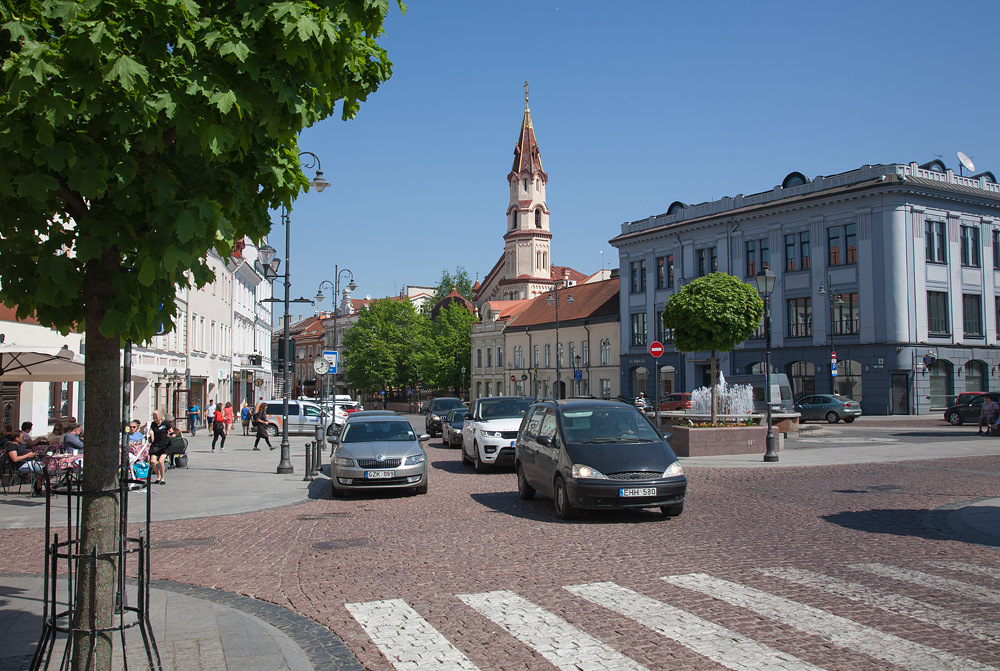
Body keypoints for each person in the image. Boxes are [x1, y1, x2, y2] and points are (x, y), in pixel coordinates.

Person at [147, 410, 173, 485]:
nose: (155, 420)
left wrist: (171, 435)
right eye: (154, 418)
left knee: (161, 461)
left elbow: (172, 432)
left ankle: (162, 478)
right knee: (152, 462)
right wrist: (150, 435)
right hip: (156, 445)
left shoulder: (165, 423)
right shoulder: (153, 424)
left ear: (160, 417)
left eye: (156, 418)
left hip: (165, 445)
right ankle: (158, 476)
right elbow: (152, 432)